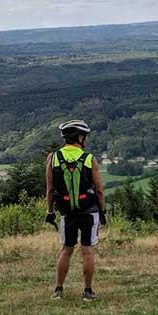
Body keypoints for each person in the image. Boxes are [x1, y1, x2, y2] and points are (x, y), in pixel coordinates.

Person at [45, 120, 107, 301]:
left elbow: (49, 189)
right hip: (89, 211)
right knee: (87, 250)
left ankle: (58, 290)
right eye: (85, 136)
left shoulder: (53, 158)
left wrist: (50, 211)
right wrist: (102, 211)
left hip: (67, 213)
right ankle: (88, 292)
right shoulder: (89, 159)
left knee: (66, 250)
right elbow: (99, 189)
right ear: (80, 137)